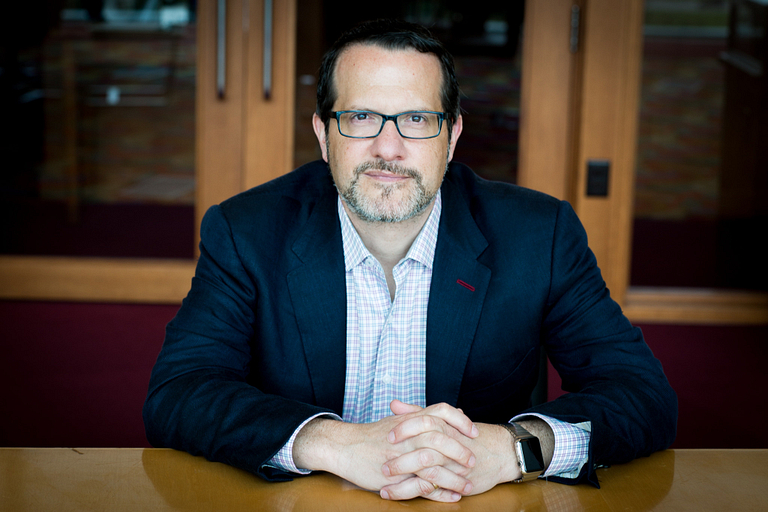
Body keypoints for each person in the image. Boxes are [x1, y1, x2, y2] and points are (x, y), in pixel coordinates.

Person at [143, 19, 677, 503]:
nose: (388, 148)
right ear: (322, 135)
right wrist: (333, 443)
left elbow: (642, 396)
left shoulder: (539, 234)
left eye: (417, 119)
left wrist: (515, 450)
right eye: (359, 117)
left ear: (453, 136)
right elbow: (180, 392)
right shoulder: (246, 231)